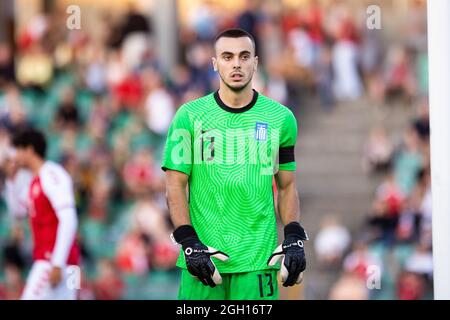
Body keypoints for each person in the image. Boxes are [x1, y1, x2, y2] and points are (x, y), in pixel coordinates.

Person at [161, 28, 308, 300]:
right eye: (227, 57)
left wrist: (293, 235)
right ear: (215, 63)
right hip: (204, 262)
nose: (237, 64)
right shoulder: (189, 116)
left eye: (244, 56)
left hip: (259, 262)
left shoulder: (281, 118)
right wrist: (188, 241)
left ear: (256, 62)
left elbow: (287, 187)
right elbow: (175, 185)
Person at [10, 127, 80, 300]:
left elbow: (69, 219)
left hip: (54, 261)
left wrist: (57, 262)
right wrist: (11, 181)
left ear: (29, 150)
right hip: (69, 263)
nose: (15, 157)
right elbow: (19, 212)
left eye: (18, 150)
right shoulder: (34, 181)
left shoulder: (52, 174)